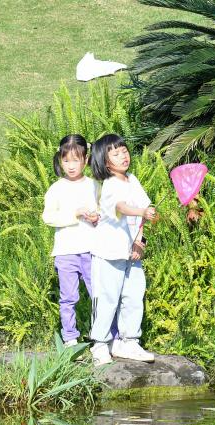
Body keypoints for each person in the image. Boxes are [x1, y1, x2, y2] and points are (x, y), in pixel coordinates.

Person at [88, 134, 158, 365]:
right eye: (115, 153)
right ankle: (99, 344)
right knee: (107, 298)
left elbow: (145, 207)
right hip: (108, 253)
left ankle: (128, 342)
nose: (123, 156)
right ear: (105, 162)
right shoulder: (109, 185)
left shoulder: (132, 180)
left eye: (124, 150)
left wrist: (140, 241)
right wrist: (141, 212)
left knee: (133, 296)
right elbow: (122, 207)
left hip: (131, 253)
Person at [42, 134, 100, 346]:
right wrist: (74, 214)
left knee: (98, 294)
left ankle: (101, 335)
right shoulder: (57, 188)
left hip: (92, 250)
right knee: (68, 297)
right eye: (66, 160)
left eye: (76, 160)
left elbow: (104, 213)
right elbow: (48, 217)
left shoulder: (94, 186)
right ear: (60, 161)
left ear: (85, 160)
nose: (71, 166)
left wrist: (96, 218)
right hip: (66, 251)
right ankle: (70, 337)